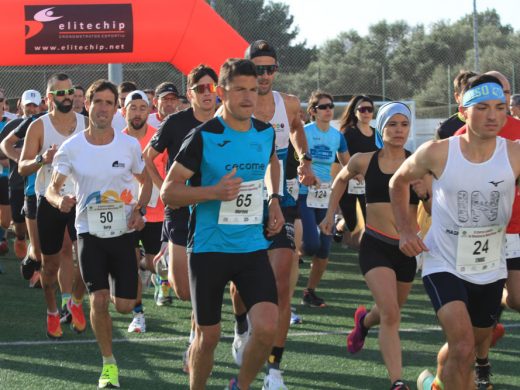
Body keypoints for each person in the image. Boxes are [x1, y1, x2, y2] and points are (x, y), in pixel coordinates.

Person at [389, 74, 520, 390]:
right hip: (444, 262)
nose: (493, 115)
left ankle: (436, 383)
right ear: (464, 109)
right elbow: (398, 181)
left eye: (500, 107)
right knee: (462, 347)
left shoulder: (515, 153)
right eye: (483, 107)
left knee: (468, 348)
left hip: (491, 266)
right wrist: (406, 231)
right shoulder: (438, 152)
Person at [160, 58, 284, 390]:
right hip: (209, 247)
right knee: (209, 335)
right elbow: (169, 192)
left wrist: (274, 200)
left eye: (253, 90)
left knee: (268, 327)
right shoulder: (203, 136)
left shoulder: (265, 132)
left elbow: (272, 164)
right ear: (220, 92)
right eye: (239, 90)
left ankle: (240, 386)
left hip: (251, 245)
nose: (248, 97)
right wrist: (213, 192)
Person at [46, 79, 151, 389]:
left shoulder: (129, 145)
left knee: (125, 305)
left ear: (115, 109)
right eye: (98, 102)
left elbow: (145, 182)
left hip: (122, 233)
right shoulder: (72, 147)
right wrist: (59, 200)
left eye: (109, 103)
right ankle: (109, 364)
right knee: (100, 300)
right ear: (87, 105)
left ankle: (85, 297)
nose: (103, 108)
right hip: (89, 232)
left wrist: (139, 211)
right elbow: (53, 188)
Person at [229, 40, 316, 390]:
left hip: (282, 195)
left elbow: (296, 127)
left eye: (270, 69)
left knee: (282, 284)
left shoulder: (289, 103)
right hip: (243, 196)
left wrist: (305, 159)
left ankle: (274, 368)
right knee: (241, 284)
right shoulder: (239, 104)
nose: (264, 76)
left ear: (276, 70)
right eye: (258, 68)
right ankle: (240, 325)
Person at [321, 101, 419, 390]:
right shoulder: (364, 160)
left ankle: (363, 322)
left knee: (389, 310)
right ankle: (398, 382)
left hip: (405, 250)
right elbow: (339, 180)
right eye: (392, 124)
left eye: (404, 124)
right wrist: (330, 214)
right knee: (391, 315)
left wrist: (426, 194)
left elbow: (434, 198)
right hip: (375, 245)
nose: (399, 130)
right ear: (382, 127)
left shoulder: (418, 163)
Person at [144, 64, 218, 369]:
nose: (206, 93)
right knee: (183, 289)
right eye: (200, 88)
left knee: (199, 285)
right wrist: (163, 188)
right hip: (179, 208)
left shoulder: (228, 123)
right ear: (190, 93)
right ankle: (164, 260)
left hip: (213, 210)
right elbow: (148, 156)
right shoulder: (175, 123)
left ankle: (193, 343)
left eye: (211, 87)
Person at [453, 70, 520, 388]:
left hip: (515, 230)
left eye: (506, 92)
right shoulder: (457, 138)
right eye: (495, 92)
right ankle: (481, 363)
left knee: (515, 300)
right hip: (476, 237)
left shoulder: (518, 132)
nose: (503, 98)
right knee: (477, 318)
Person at [18, 73, 87, 338]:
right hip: (48, 199)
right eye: (61, 93)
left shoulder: (86, 123)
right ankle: (51, 311)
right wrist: (41, 159)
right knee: (50, 265)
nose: (67, 97)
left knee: (88, 259)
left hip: (80, 199)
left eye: (70, 92)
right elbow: (23, 168)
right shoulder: (39, 126)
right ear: (49, 98)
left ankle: (75, 302)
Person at [299, 91, 348, 307]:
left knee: (324, 249)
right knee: (310, 245)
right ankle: (291, 252)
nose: (328, 110)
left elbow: (348, 163)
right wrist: (305, 173)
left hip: (325, 195)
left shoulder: (337, 136)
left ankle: (309, 291)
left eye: (331, 106)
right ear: (313, 111)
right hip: (303, 193)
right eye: (323, 107)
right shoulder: (303, 132)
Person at [122, 90, 166, 333]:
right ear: (123, 110)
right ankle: (138, 314)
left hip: (156, 212)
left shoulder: (158, 138)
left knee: (154, 263)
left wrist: (167, 193)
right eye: (133, 107)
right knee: (129, 265)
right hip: (126, 213)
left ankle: (154, 273)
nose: (137, 112)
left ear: (149, 111)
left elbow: (169, 171)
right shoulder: (116, 140)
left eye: (142, 108)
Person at [0, 89, 41, 260]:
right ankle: (20, 238)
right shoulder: (12, 126)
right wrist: (19, 157)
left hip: (39, 184)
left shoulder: (44, 125)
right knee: (18, 222)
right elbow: (2, 151)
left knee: (37, 225)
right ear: (21, 106)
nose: (31, 108)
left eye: (34, 105)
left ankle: (35, 259)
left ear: (40, 106)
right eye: (28, 105)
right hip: (17, 182)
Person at [335, 95, 378, 248]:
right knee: (352, 222)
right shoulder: (348, 133)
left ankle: (369, 250)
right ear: (355, 112)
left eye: (369, 109)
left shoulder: (376, 133)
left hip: (369, 184)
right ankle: (339, 226)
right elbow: (340, 156)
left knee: (369, 219)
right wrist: (354, 173)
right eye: (362, 109)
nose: (366, 112)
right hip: (349, 184)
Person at [435, 70, 477, 140]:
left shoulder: (490, 121)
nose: (472, 96)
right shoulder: (445, 130)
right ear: (457, 97)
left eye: (475, 92)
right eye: (467, 93)